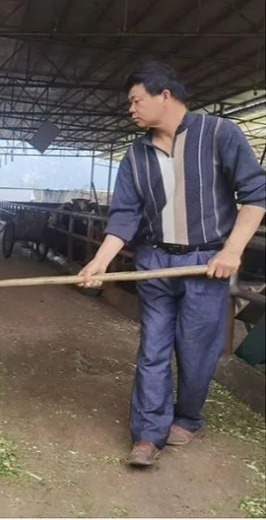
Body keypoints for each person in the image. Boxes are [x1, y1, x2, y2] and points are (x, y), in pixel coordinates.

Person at [79, 61, 266, 466]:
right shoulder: (136, 155)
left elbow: (256, 195)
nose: (130, 109)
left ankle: (188, 417)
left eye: (136, 100)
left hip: (205, 262)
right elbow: (124, 216)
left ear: (164, 95)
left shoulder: (219, 133)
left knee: (197, 351)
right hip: (155, 261)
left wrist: (231, 251)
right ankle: (147, 434)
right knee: (153, 348)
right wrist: (100, 262)